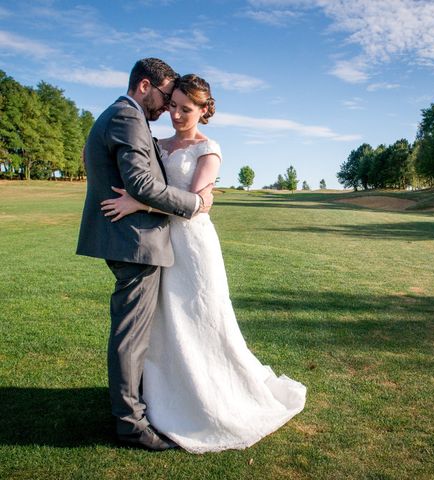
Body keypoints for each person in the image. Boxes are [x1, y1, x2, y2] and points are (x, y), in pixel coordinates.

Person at [100, 74, 306, 453]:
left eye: (186, 109)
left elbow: (195, 201)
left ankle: (211, 397)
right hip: (160, 244)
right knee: (167, 322)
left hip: (193, 247)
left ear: (203, 110)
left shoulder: (208, 148)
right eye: (173, 105)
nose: (176, 114)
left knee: (202, 318)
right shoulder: (156, 143)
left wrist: (139, 202)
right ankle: (164, 396)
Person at [76, 58, 215, 451]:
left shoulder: (120, 116)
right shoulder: (128, 117)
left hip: (134, 240)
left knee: (136, 334)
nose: (166, 107)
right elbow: (140, 181)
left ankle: (142, 404)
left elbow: (94, 160)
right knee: (130, 338)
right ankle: (131, 424)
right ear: (144, 86)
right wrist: (193, 202)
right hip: (135, 243)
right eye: (165, 96)